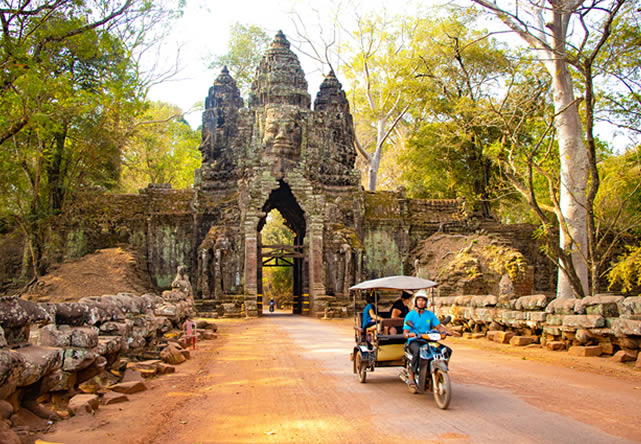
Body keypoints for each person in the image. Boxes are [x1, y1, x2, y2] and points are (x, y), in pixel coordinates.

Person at [403, 289, 448, 393]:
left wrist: (444, 332)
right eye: (419, 300)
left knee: (444, 350)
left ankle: (440, 370)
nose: (421, 302)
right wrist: (409, 334)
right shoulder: (410, 315)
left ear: (426, 302)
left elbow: (439, 327)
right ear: (416, 302)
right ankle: (412, 376)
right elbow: (405, 332)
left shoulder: (430, 315)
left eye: (423, 300)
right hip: (415, 340)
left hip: (428, 340)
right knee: (418, 351)